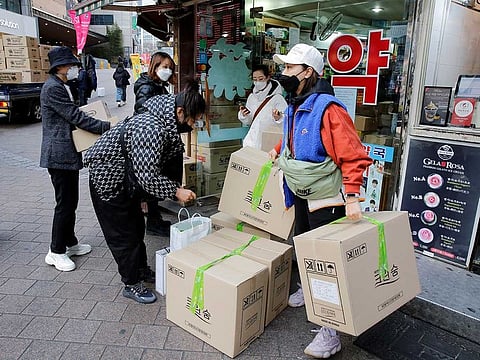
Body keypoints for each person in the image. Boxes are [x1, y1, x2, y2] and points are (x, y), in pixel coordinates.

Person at [269, 43, 372, 358]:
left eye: (289, 68)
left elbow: (354, 155)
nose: (283, 73)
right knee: (303, 244)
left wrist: (352, 196)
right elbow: (292, 137)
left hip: (325, 197)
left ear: (307, 72)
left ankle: (331, 332)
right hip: (302, 190)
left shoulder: (330, 109)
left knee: (325, 262)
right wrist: (276, 151)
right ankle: (307, 290)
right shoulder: (295, 102)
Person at [83, 80, 205, 304]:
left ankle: (141, 270)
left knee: (137, 227)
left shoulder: (163, 120)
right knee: (123, 235)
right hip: (109, 183)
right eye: (192, 119)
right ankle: (131, 284)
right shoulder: (150, 128)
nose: (192, 125)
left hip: (126, 181)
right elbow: (147, 176)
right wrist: (176, 191)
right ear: (179, 111)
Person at [40, 46, 111, 272]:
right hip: (58, 154)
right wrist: (104, 126)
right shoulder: (53, 88)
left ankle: (69, 243)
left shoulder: (61, 85)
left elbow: (76, 112)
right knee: (65, 204)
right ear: (59, 66)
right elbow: (74, 116)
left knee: (70, 201)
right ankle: (56, 251)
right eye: (69, 65)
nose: (72, 68)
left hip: (66, 153)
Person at [133, 51, 179, 236]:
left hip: (155, 138)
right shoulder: (147, 87)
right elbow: (144, 111)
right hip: (147, 139)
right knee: (150, 179)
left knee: (154, 179)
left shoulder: (159, 86)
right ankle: (152, 222)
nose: (167, 71)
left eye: (170, 68)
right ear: (155, 66)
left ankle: (154, 218)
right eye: (164, 67)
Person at [238, 64, 287, 149]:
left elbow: (286, 120)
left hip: (269, 141)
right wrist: (244, 115)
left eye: (261, 79)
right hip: (251, 141)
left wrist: (278, 118)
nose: (258, 82)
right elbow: (249, 121)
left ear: (268, 77)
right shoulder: (252, 97)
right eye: (255, 79)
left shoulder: (277, 98)